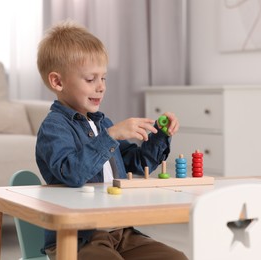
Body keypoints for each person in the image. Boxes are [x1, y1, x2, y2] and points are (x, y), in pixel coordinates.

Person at [35, 20, 187, 260]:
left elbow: (138, 165)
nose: (101, 87)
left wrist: (159, 136)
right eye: (90, 79)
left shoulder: (102, 124)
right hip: (77, 238)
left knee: (175, 258)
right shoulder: (54, 128)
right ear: (58, 82)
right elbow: (73, 174)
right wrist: (111, 135)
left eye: (103, 78)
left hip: (120, 232)